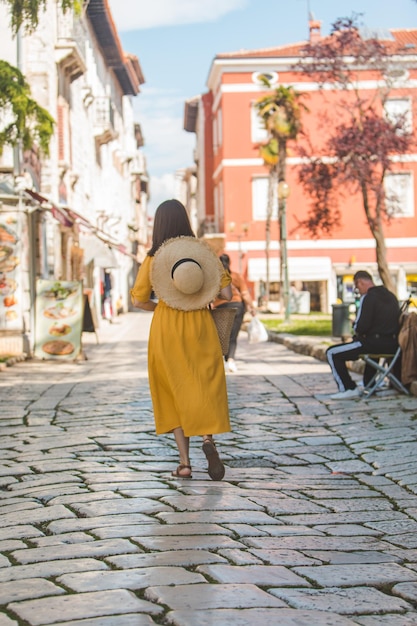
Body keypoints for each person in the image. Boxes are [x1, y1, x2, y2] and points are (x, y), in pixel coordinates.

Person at [130, 199, 232, 480]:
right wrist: (199, 297)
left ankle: (185, 464)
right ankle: (208, 440)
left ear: (159, 224)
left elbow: (139, 300)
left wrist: (164, 305)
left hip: (167, 328)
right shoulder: (203, 253)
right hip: (200, 326)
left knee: (172, 390)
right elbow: (227, 295)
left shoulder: (153, 258)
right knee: (204, 384)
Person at [326, 270, 400, 400]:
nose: (358, 290)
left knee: (332, 352)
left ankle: (348, 388)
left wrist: (355, 325)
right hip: (392, 345)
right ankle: (369, 383)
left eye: (357, 286)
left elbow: (361, 327)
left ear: (360, 282)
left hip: (373, 344)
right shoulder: (391, 296)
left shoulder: (368, 298)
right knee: (370, 347)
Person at [212, 254, 256, 372]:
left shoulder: (214, 277)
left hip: (220, 307)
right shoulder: (235, 276)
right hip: (237, 306)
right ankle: (230, 360)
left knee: (222, 336)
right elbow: (245, 294)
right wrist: (251, 307)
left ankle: (223, 360)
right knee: (233, 335)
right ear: (229, 262)